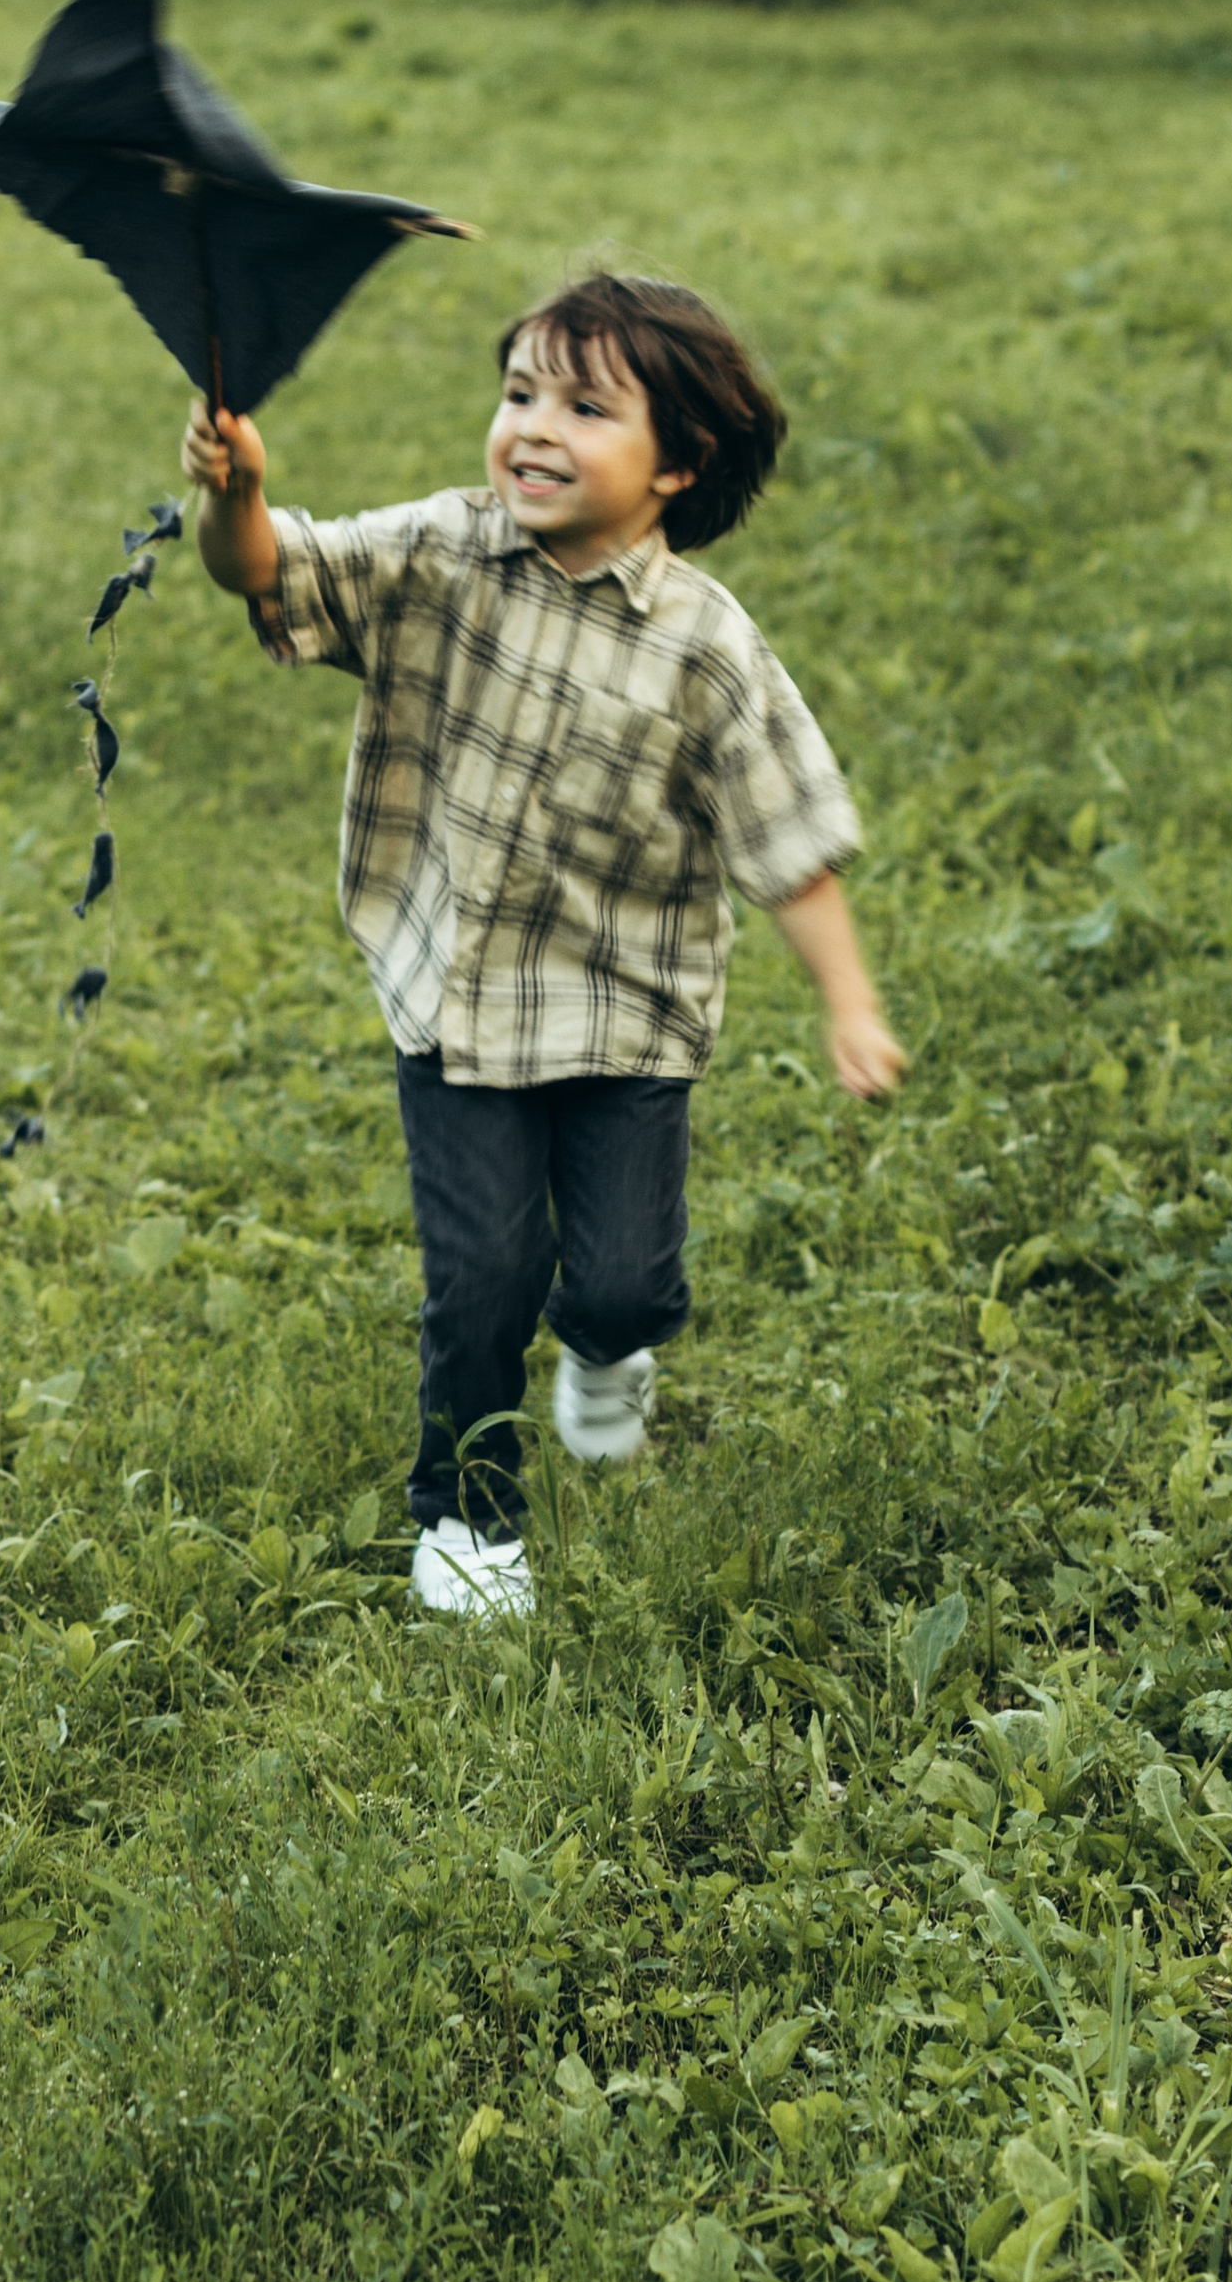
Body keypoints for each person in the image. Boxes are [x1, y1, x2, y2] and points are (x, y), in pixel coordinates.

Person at [181, 268, 903, 1618]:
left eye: (586, 407)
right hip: (456, 996)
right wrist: (234, 492)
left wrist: (849, 1008)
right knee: (484, 1275)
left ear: (678, 465)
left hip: (627, 1016)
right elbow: (268, 571)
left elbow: (790, 842)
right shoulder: (440, 552)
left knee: (624, 1282)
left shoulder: (707, 649)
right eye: (519, 394)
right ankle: (465, 1515)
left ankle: (609, 1353)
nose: (534, 429)